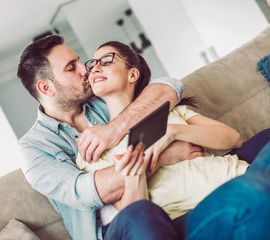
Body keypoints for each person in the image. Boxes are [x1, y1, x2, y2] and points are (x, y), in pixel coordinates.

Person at [77, 40, 270, 239]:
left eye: (106, 61)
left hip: (242, 173)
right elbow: (135, 212)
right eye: (92, 65)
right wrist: (138, 171)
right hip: (200, 210)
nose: (95, 68)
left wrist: (172, 132)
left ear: (132, 74)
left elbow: (234, 139)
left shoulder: (168, 111)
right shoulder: (92, 147)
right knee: (254, 196)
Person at [16, 35, 200, 240]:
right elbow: (88, 192)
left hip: (165, 197)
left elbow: (169, 86)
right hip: (111, 229)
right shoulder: (32, 148)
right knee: (141, 213)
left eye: (79, 61)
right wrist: (161, 155)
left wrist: (113, 129)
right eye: (71, 67)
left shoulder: (103, 97)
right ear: (46, 88)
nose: (86, 69)